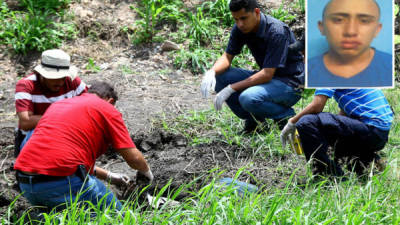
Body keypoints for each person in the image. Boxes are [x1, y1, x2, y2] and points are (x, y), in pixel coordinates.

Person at [14, 81, 153, 211]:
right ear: (110, 101)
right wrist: (147, 174)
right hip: (62, 183)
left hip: (27, 185)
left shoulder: (59, 106)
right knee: (119, 217)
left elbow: (59, 158)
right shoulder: (106, 108)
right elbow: (134, 158)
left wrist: (110, 176)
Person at [200, 0, 304, 133]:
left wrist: (231, 88)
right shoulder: (240, 28)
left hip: (290, 83)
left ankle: (285, 115)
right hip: (268, 79)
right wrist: (211, 72)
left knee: (248, 97)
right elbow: (227, 56)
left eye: (243, 18)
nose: (240, 24)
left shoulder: (276, 31)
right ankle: (256, 121)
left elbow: (267, 74)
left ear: (256, 12)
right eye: (236, 19)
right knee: (220, 76)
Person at [280, 88, 393, 178]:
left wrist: (292, 122)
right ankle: (368, 160)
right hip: (380, 134)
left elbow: (317, 106)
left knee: (306, 121)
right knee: (324, 129)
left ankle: (327, 176)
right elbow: (345, 112)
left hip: (370, 128)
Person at [14, 49, 87, 156]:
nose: (60, 82)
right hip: (35, 140)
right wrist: (65, 118)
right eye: (55, 77)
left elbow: (91, 105)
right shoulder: (26, 85)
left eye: (63, 77)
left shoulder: (72, 81)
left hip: (67, 137)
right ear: (42, 74)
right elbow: (26, 122)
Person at [307, 0, 393, 88]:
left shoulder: (391, 67)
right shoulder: (307, 71)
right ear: (322, 27)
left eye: (364, 21)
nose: (350, 31)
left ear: (377, 29)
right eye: (338, 20)